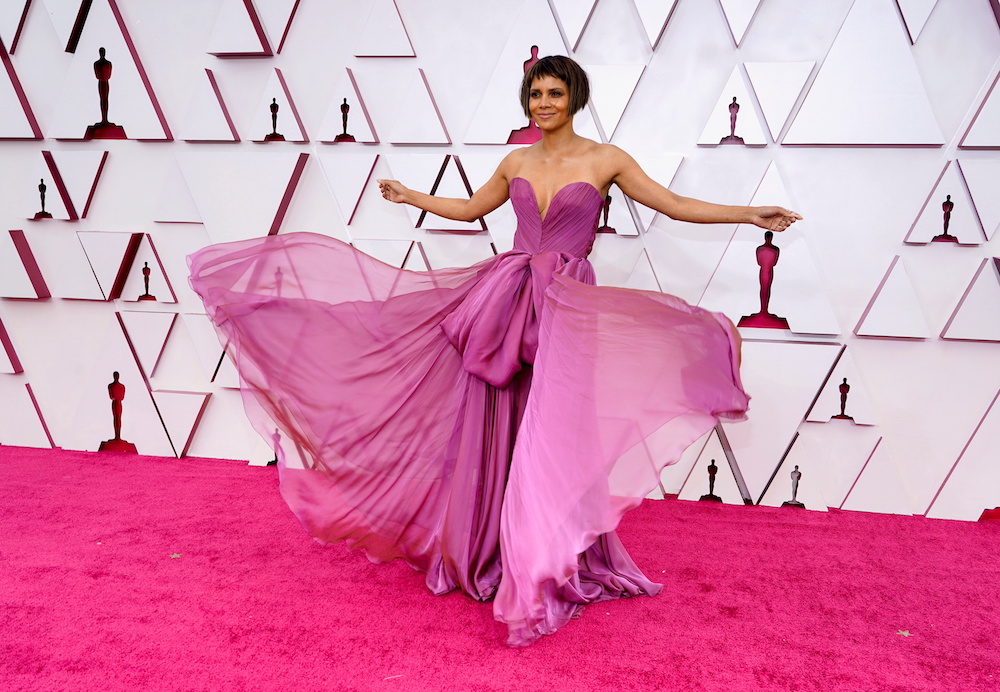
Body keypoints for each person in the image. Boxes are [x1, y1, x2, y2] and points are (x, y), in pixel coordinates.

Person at [188, 55, 800, 647]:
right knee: (495, 414)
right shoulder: (516, 161)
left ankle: (549, 553)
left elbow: (675, 205)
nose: (544, 103)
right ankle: (492, 548)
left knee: (556, 425)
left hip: (564, 303)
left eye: (555, 94)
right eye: (536, 95)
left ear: (575, 98)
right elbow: (472, 208)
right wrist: (414, 198)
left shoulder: (607, 159)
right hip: (505, 298)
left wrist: (750, 215)